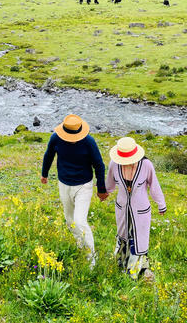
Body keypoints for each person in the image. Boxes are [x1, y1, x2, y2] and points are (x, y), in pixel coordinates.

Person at [41, 114, 108, 268]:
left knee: (80, 221)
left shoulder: (89, 142)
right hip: (64, 184)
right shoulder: (56, 138)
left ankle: (91, 256)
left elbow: (99, 165)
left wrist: (101, 189)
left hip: (83, 186)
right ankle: (80, 244)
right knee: (69, 221)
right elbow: (48, 155)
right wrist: (44, 174)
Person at [105, 137, 166, 281]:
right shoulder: (114, 164)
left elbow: (154, 186)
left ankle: (134, 270)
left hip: (141, 209)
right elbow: (109, 183)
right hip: (122, 208)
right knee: (123, 235)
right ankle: (121, 263)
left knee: (139, 238)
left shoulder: (146, 165)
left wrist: (161, 204)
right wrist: (102, 191)